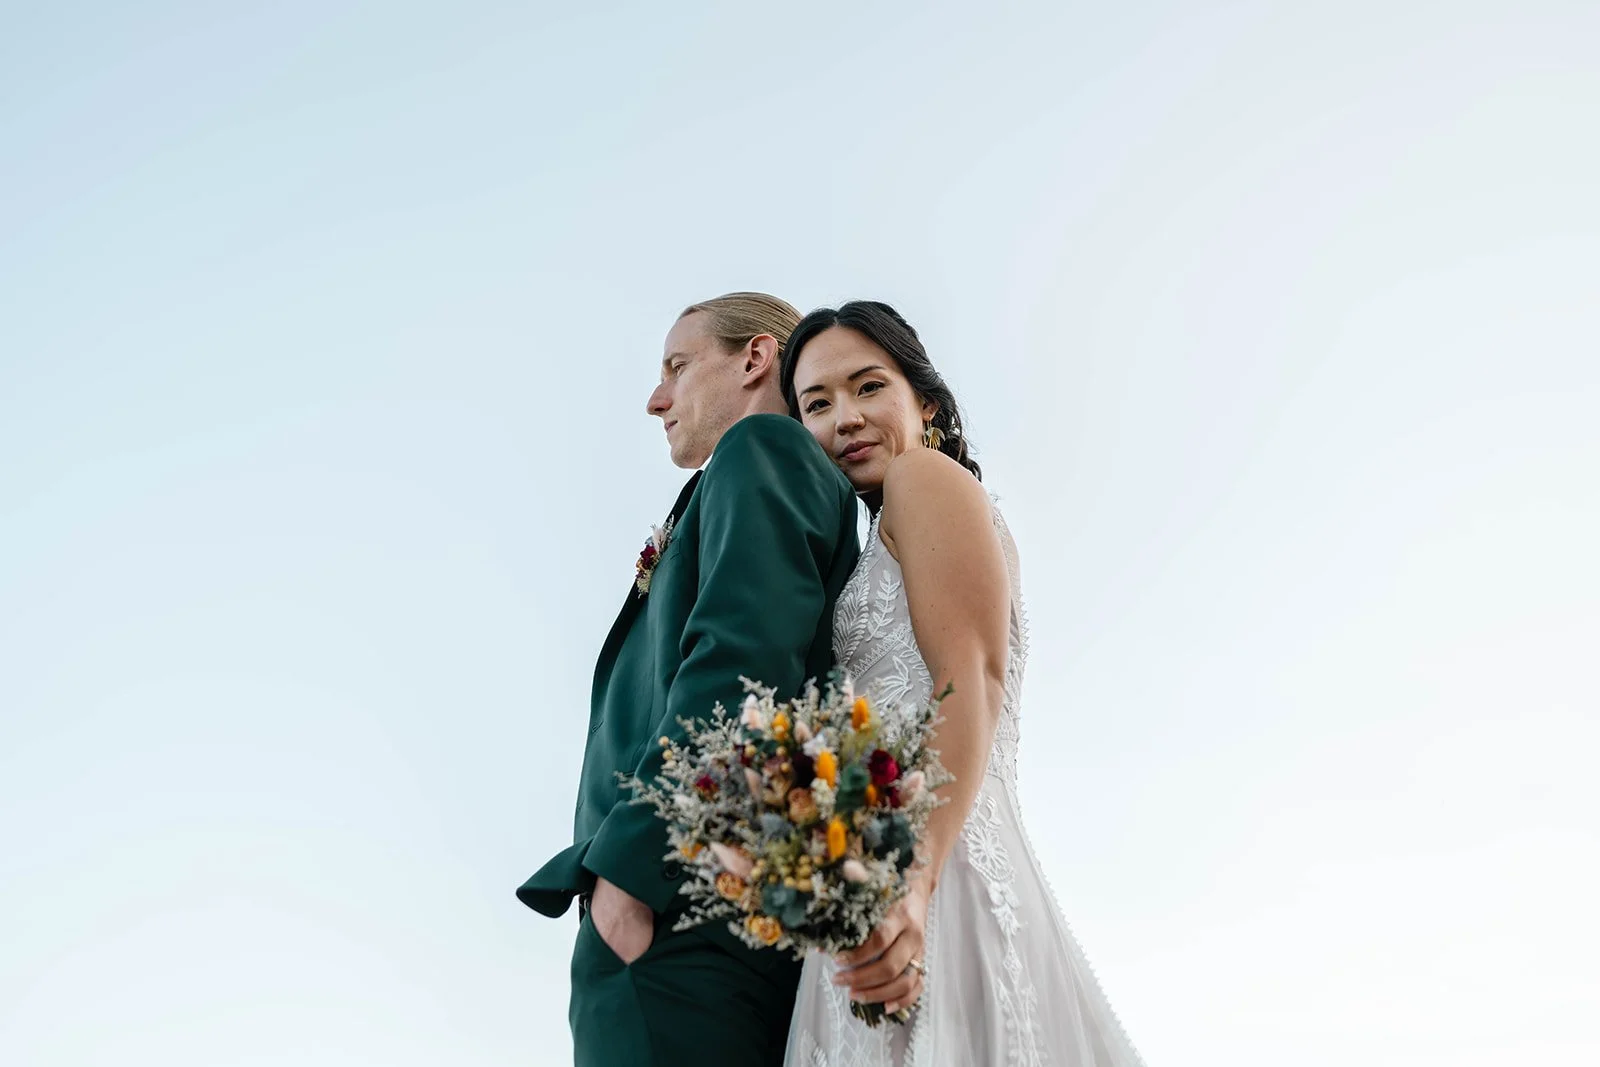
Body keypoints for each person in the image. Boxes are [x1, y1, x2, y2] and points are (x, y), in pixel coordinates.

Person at [779, 301, 1145, 1066]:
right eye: (817, 404)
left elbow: (970, 674)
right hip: (885, 881)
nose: (844, 418)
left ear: (928, 405)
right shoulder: (879, 533)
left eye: (868, 386)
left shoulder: (924, 477)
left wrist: (913, 880)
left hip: (939, 873)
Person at [517, 293, 862, 1067]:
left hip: (676, 914)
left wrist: (630, 879)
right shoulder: (742, 475)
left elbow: (741, 666)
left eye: (677, 366)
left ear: (754, 359)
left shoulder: (763, 449)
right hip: (688, 914)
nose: (656, 397)